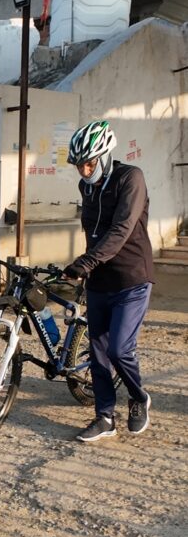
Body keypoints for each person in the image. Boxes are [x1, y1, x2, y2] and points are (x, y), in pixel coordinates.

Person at [63, 120, 154, 443]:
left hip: (132, 278)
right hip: (99, 281)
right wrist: (83, 271)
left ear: (104, 156)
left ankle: (139, 397)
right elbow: (93, 232)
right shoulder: (86, 187)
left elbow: (121, 228)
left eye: (90, 163)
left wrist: (85, 262)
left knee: (119, 349)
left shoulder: (131, 178)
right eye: (79, 165)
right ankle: (105, 417)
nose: (85, 170)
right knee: (98, 353)